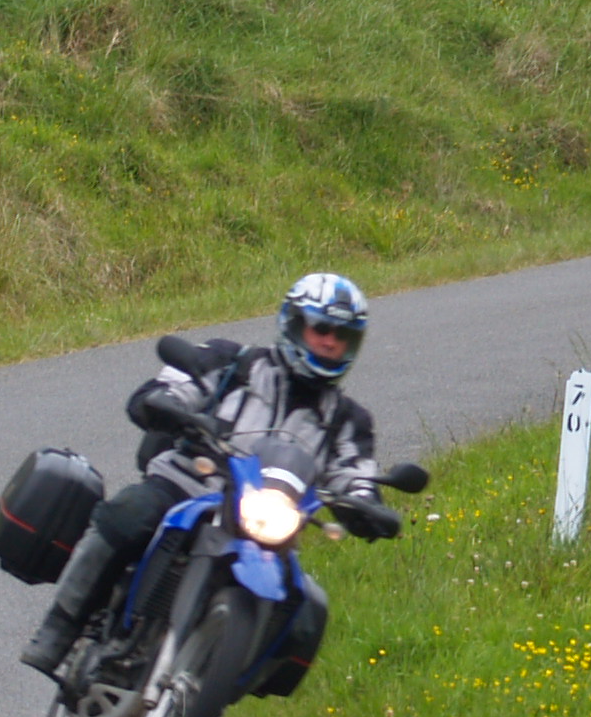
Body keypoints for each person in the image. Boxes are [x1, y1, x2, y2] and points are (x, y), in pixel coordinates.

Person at [20, 270, 398, 673]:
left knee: (300, 611)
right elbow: (173, 387)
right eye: (321, 328)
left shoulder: (348, 421)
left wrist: (366, 505)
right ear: (293, 323)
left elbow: (356, 474)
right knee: (130, 513)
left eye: (344, 336)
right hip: (187, 486)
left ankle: (215, 689)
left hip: (265, 526)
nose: (331, 342)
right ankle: (60, 626)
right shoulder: (232, 362)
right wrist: (167, 404)